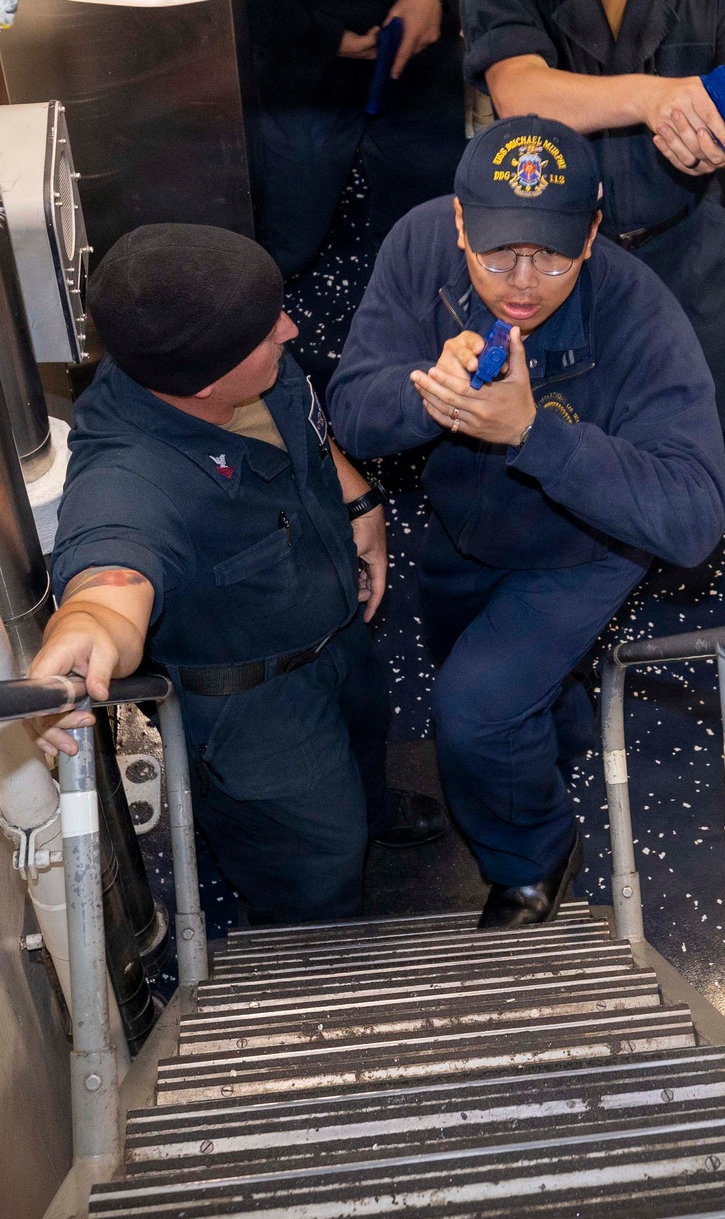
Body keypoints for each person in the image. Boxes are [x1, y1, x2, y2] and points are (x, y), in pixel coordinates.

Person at [328, 115, 725, 929]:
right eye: (496, 253)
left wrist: (530, 434)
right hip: (461, 531)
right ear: (460, 223)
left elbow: (692, 518)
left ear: (591, 230)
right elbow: (352, 411)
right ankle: (559, 723)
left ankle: (533, 858)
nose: (521, 280)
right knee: (467, 658)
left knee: (474, 708)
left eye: (550, 254)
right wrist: (421, 398)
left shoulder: (641, 318)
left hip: (583, 550)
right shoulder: (416, 247)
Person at [28, 223, 443, 927]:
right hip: (259, 711)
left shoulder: (241, 365)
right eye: (265, 329)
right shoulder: (132, 476)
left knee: (367, 745)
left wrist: (360, 499)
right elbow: (110, 570)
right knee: (315, 856)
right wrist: (87, 626)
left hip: (339, 640)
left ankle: (372, 808)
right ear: (204, 382)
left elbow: (307, 430)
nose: (288, 327)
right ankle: (311, 956)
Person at [459, 0, 725, 428]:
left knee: (700, 415)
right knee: (550, 423)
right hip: (554, 255)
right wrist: (651, 98)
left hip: (684, 242)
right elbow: (516, 89)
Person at [245, 0, 468, 278]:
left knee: (426, 243)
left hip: (418, 42)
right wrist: (315, 35)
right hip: (295, 54)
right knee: (287, 243)